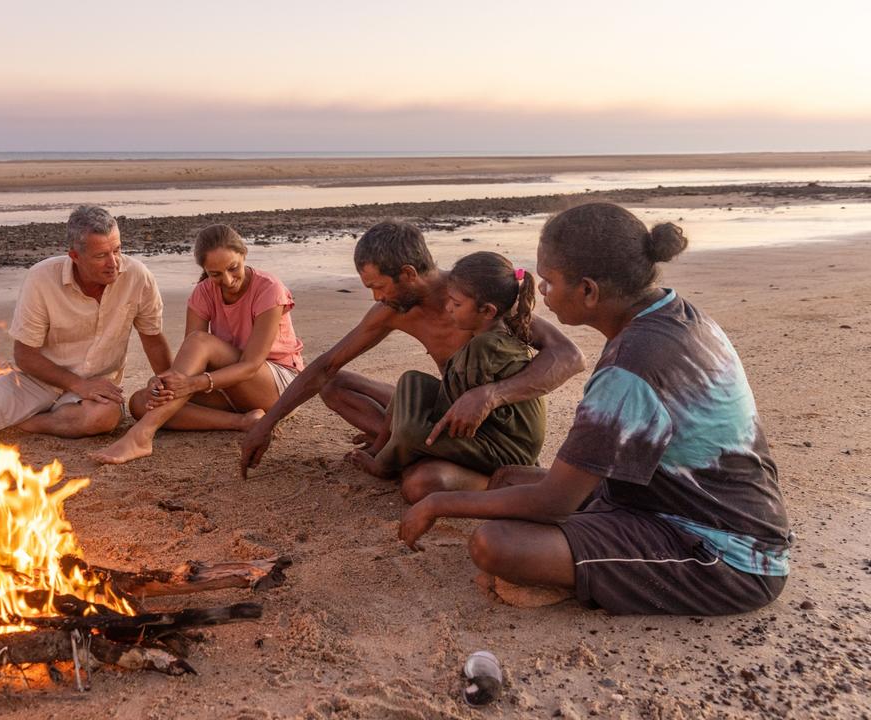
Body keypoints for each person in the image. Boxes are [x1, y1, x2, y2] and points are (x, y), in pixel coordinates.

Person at [398, 203, 791, 615]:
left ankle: (582, 575)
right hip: (666, 499)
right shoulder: (680, 314)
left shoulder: (630, 367)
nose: (542, 292)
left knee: (496, 545)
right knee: (510, 477)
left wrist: (437, 504)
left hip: (727, 555)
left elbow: (554, 503)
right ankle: (584, 559)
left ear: (588, 291)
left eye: (549, 282)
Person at [240, 220, 584, 487]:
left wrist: (491, 396)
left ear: (407, 273)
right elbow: (327, 365)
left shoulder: (477, 298)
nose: (376, 298)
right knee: (334, 385)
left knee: (420, 484)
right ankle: (405, 446)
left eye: (378, 286)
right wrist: (267, 425)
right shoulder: (394, 310)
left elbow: (570, 357)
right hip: (443, 411)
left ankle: (428, 458)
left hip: (490, 430)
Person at [0, 205, 172, 445]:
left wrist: (171, 386)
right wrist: (77, 384)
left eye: (117, 250)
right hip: (35, 379)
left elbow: (153, 338)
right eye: (101, 255)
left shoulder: (138, 277)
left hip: (95, 387)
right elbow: (24, 355)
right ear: (75, 256)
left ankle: (21, 422)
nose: (113, 263)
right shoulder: (42, 278)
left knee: (104, 419)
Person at [90, 224, 305, 465]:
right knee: (142, 403)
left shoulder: (269, 289)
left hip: (277, 386)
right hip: (229, 386)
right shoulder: (202, 293)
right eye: (215, 274)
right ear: (205, 270)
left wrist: (193, 383)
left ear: (243, 253)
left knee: (201, 343)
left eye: (233, 268)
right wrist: (164, 381)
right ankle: (243, 421)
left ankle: (141, 435)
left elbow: (250, 365)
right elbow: (191, 359)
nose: (228, 280)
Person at [348, 251, 547, 496]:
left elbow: (449, 413)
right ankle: (382, 448)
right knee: (411, 381)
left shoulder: (485, 348)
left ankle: (384, 465)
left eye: (456, 304)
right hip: (494, 432)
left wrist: (408, 435)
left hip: (507, 449)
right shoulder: (486, 337)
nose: (448, 308)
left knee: (412, 432)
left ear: (487, 311)